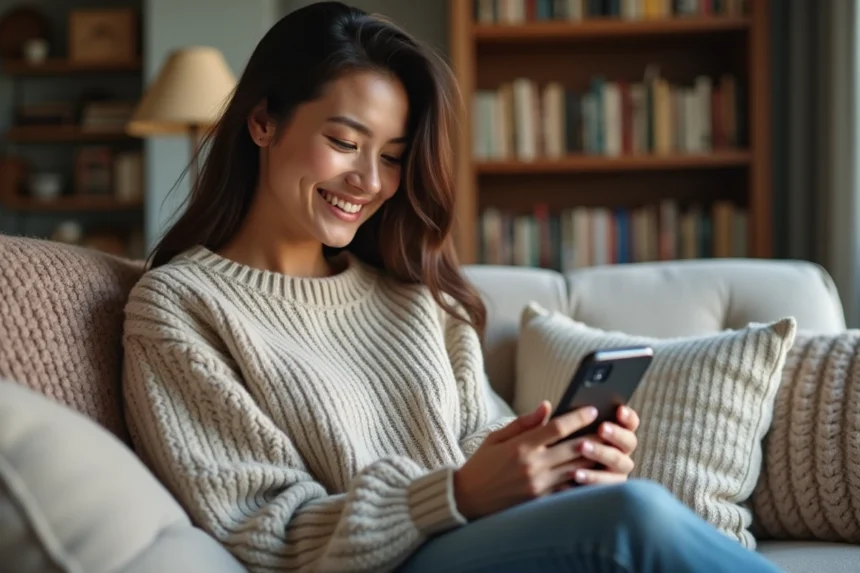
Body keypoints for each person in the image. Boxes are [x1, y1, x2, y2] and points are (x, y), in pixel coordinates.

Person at [121, 3, 783, 572]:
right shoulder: (181, 306)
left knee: (628, 503)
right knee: (634, 518)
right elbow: (262, 528)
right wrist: (454, 494)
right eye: (344, 142)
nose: (369, 181)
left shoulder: (416, 298)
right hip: (384, 562)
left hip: (476, 540)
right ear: (263, 122)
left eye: (391, 157)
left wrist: (556, 469)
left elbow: (479, 449)